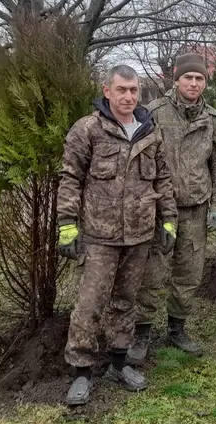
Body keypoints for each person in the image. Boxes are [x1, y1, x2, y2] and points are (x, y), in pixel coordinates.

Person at [56, 65, 178, 406]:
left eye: (134, 90)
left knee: (126, 302)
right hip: (99, 236)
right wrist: (67, 225)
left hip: (139, 235)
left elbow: (163, 181)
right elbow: (69, 178)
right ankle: (81, 371)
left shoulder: (150, 131)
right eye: (122, 89)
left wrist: (168, 222)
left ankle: (119, 362)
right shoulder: (88, 129)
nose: (128, 96)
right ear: (106, 91)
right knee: (89, 304)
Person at [127, 53, 216, 364]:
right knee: (151, 273)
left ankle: (177, 328)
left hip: (197, 208)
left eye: (199, 79)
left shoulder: (212, 119)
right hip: (161, 210)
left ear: (205, 82)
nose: (194, 83)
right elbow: (142, 161)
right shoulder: (154, 113)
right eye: (188, 78)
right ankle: (142, 332)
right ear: (176, 78)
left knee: (189, 272)